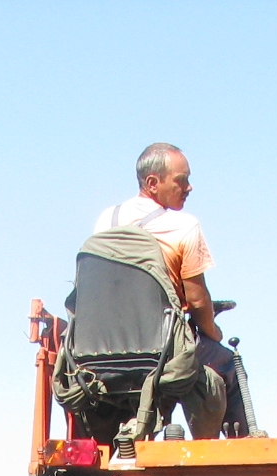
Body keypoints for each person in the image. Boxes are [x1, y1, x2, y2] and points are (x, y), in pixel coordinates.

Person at [93, 142, 248, 435]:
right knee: (227, 363)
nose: (189, 188)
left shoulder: (106, 220)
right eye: (182, 180)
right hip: (160, 347)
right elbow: (198, 300)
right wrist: (212, 331)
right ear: (153, 183)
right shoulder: (183, 226)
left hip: (103, 350)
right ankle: (241, 450)